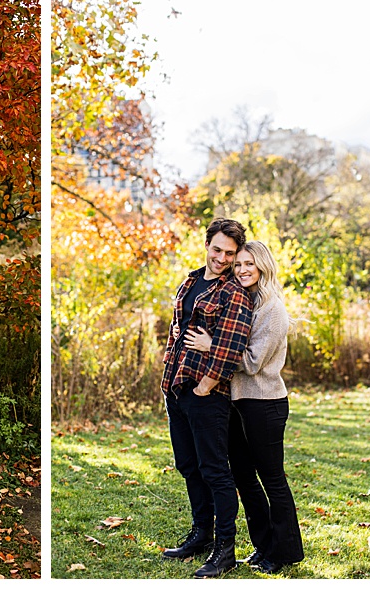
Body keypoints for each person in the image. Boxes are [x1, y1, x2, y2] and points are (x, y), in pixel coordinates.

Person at [184, 240, 304, 574]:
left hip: (265, 403)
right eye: (238, 265)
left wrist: (213, 346)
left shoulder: (272, 309)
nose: (242, 270)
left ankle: (285, 552)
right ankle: (264, 546)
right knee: (243, 478)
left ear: (263, 265)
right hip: (236, 402)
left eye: (249, 264)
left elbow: (251, 362)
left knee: (272, 479)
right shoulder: (243, 302)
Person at [159, 217, 253, 579]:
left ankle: (224, 550)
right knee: (188, 465)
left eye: (230, 253)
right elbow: (176, 330)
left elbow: (231, 348)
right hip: (177, 387)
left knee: (215, 471)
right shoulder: (191, 280)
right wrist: (168, 379)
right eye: (217, 249)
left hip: (207, 394)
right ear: (207, 245)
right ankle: (200, 534)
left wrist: (206, 384)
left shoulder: (233, 293)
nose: (222, 258)